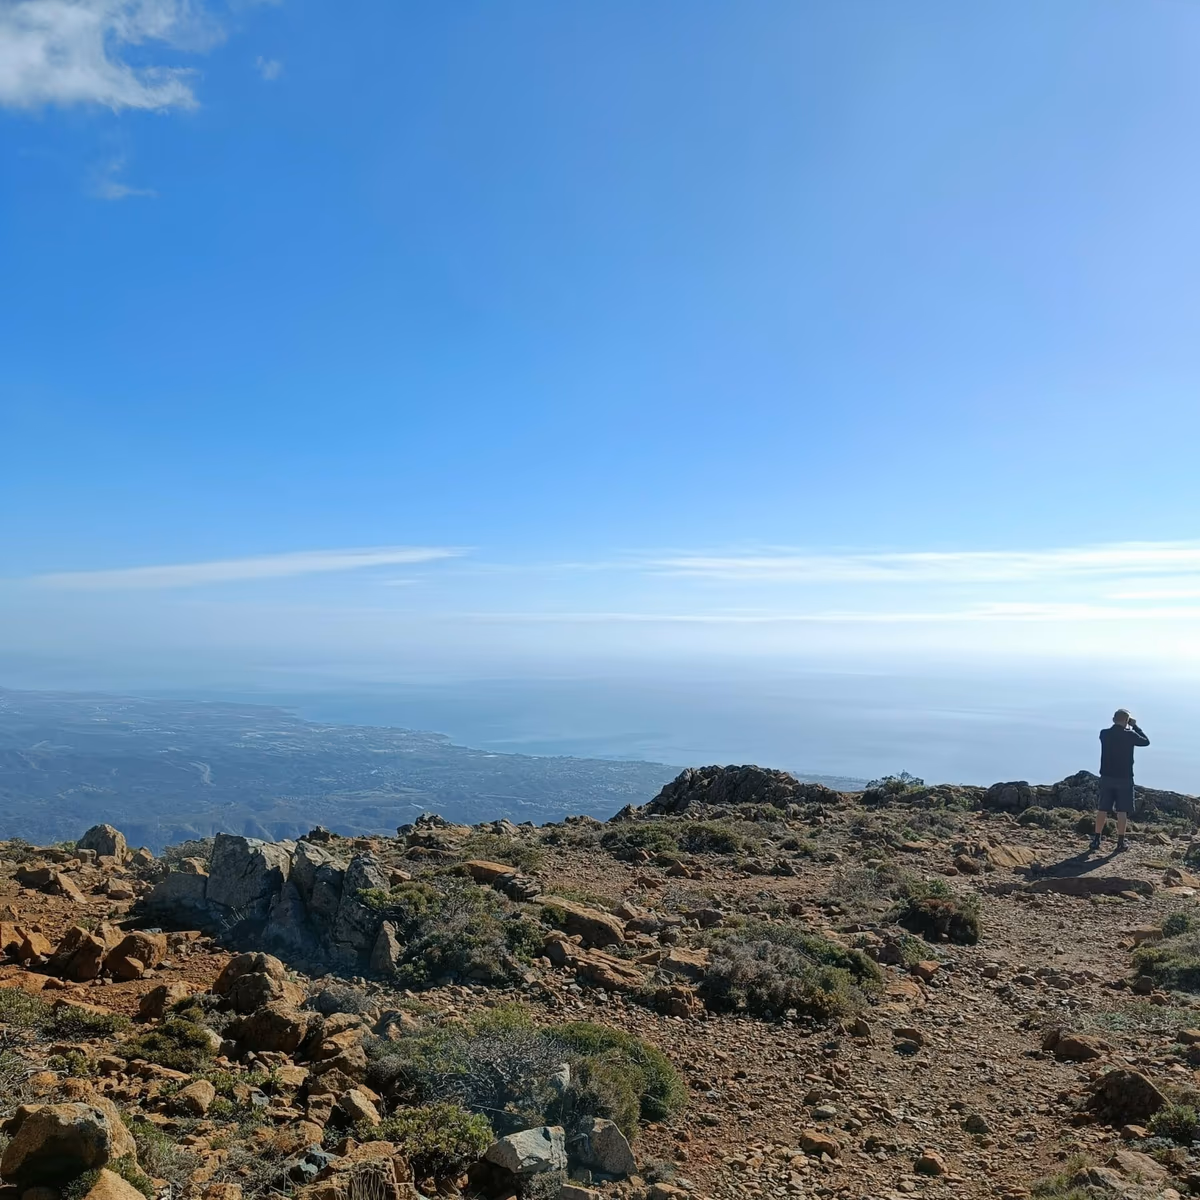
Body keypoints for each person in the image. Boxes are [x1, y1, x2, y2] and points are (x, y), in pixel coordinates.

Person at [1090, 709, 1150, 853]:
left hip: (1106, 777)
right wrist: (1134, 726)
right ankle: (1120, 842)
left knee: (1102, 808)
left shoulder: (1104, 734)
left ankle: (1096, 839)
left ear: (1113, 719)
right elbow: (1146, 742)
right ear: (1126, 720)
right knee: (1122, 811)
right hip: (1124, 778)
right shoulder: (1130, 735)